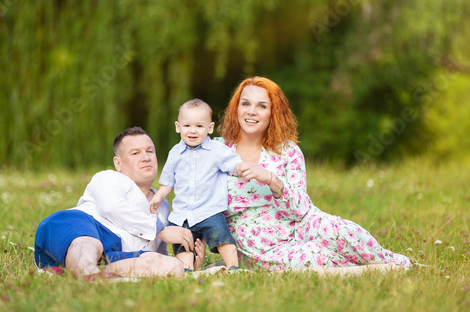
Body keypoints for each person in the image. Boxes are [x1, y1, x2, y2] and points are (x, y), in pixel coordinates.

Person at [216, 76, 412, 272]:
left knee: (342, 231)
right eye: (246, 103)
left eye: (261, 106)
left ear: (273, 113)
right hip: (256, 241)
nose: (251, 111)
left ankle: (398, 263)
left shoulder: (287, 151)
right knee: (313, 258)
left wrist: (270, 179)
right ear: (236, 108)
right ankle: (376, 269)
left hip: (299, 223)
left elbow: (301, 209)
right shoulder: (216, 150)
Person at [34, 127, 205, 280]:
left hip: (117, 252)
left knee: (167, 266)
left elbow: (154, 250)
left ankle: (99, 274)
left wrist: (189, 262)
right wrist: (160, 230)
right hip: (82, 225)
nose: (145, 157)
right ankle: (87, 273)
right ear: (118, 163)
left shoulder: (163, 206)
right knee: (89, 243)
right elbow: (110, 206)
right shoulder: (108, 178)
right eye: (135, 153)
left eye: (150, 151)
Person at [150, 99, 242, 271]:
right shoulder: (175, 153)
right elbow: (169, 182)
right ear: (178, 127)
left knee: (221, 237)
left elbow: (233, 163)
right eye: (187, 126)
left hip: (209, 210)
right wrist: (159, 196)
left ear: (210, 128)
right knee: (182, 242)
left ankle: (233, 267)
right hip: (182, 214)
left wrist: (241, 168)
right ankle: (186, 269)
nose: (193, 131)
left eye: (199, 126)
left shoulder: (217, 150)